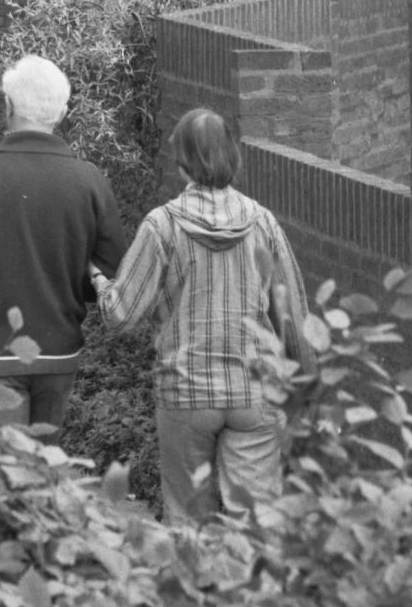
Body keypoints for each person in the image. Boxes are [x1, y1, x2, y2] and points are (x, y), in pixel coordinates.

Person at [99, 108, 315, 530]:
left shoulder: (161, 226)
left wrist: (98, 282)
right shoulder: (262, 221)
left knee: (188, 520)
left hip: (186, 392)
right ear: (232, 156)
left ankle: (196, 592)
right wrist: (307, 392)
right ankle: (246, 594)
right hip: (254, 391)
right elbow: (292, 318)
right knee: (253, 522)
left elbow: (121, 314)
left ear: (182, 164)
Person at [0, 54, 123, 431]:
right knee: (42, 472)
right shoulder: (89, 179)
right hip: (60, 352)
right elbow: (112, 268)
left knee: (5, 475)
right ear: (63, 111)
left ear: (7, 106)